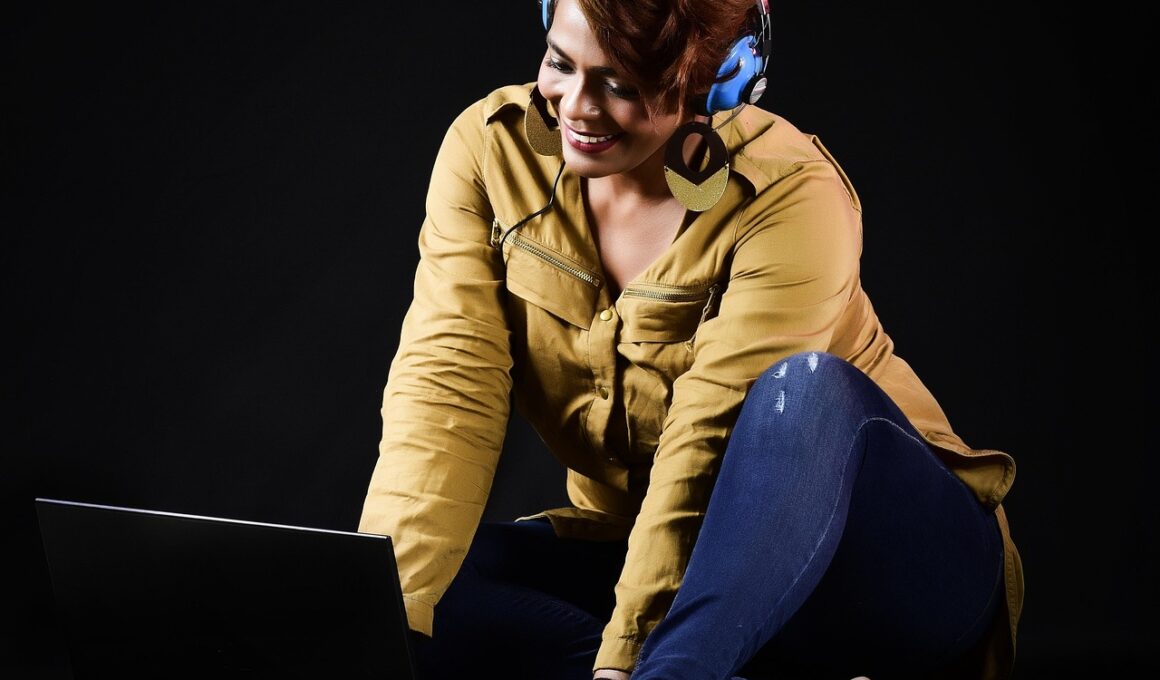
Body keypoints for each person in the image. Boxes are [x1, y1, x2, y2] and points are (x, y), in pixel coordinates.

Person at [357, 0, 1024, 678]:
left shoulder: (792, 194)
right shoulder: (489, 152)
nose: (576, 107)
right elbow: (446, 387)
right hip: (664, 560)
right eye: (560, 63)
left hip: (883, 568)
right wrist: (378, 627)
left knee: (805, 389)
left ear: (718, 78)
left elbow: (707, 438)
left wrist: (624, 661)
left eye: (621, 85)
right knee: (425, 595)